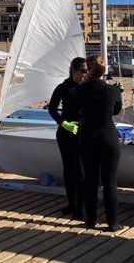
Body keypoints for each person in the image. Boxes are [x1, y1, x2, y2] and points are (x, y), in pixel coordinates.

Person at [76, 54, 123, 231]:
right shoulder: (113, 90)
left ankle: (90, 220)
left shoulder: (81, 90)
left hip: (88, 136)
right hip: (108, 137)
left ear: (89, 68)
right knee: (110, 181)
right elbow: (116, 110)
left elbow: (78, 108)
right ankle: (112, 223)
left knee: (91, 180)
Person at [48, 56, 87, 219]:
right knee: (68, 169)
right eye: (83, 71)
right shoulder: (63, 87)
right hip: (66, 132)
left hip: (82, 131)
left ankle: (80, 205)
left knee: (80, 170)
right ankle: (71, 203)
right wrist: (63, 123)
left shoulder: (88, 87)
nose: (86, 74)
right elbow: (52, 109)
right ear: (73, 71)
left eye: (88, 71)